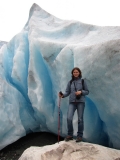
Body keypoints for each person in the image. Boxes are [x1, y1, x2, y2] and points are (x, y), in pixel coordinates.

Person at [59, 67, 89, 142]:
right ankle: (70, 135)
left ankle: (79, 136)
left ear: (79, 73)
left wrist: (81, 92)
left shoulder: (82, 81)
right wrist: (62, 95)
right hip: (72, 102)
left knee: (80, 119)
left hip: (80, 102)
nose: (75, 73)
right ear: (72, 73)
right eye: (74, 72)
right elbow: (67, 92)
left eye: (77, 72)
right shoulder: (70, 82)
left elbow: (87, 91)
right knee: (69, 118)